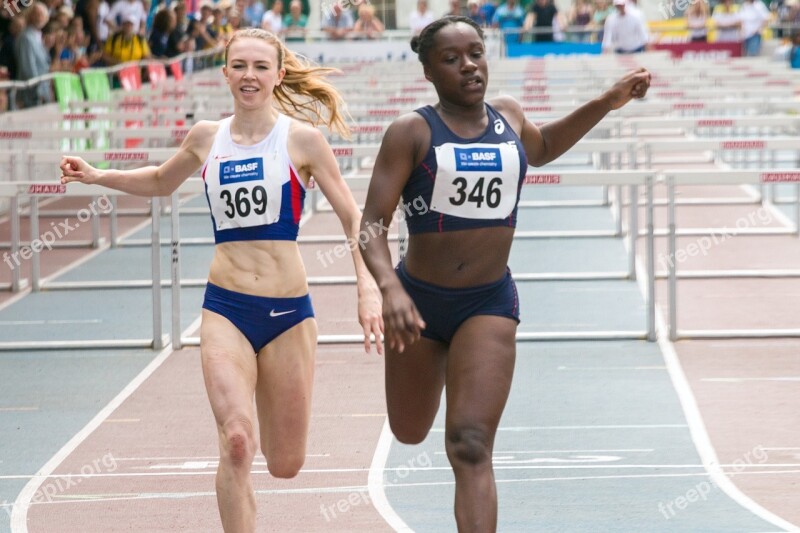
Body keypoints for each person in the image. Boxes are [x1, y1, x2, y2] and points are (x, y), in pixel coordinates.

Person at [60, 27, 383, 532]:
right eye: (239, 66)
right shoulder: (207, 137)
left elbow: (352, 215)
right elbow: (161, 180)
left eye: (259, 67)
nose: (248, 76)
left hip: (287, 314)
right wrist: (98, 175)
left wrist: (366, 286)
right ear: (225, 72)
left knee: (284, 463)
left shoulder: (301, 140)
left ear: (278, 74)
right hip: (225, 309)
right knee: (236, 440)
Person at [359, 16, 649, 532]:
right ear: (428, 70)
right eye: (452, 59)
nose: (469, 66)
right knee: (408, 431)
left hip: (487, 303)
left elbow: (542, 148)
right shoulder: (412, 131)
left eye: (476, 53)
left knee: (469, 445)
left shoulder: (509, 116)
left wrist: (607, 102)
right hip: (417, 302)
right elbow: (370, 227)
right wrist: (390, 290)